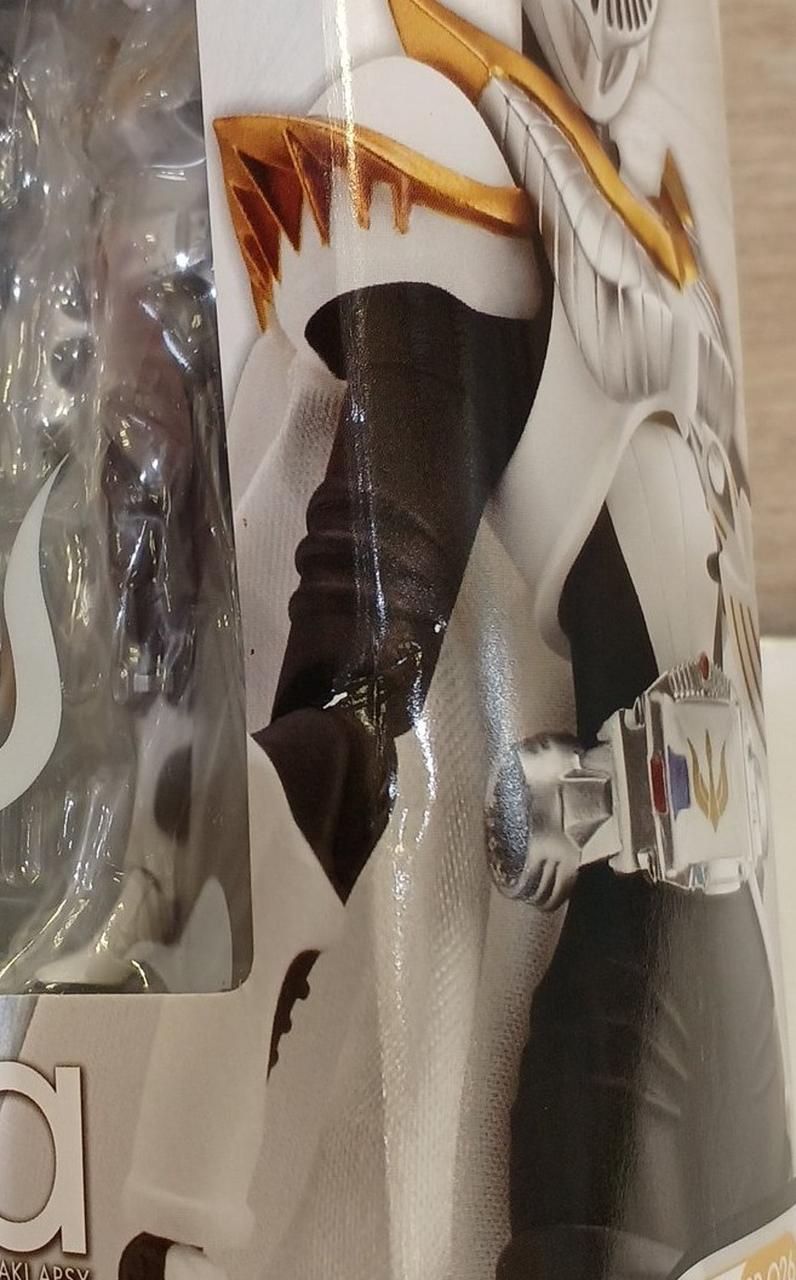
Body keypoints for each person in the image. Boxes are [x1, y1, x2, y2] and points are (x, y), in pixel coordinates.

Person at [122, 1, 791, 1275]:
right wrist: (181, 1193)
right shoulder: (444, 128)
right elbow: (356, 677)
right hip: (613, 1027)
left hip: (725, 987)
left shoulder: (651, 207)